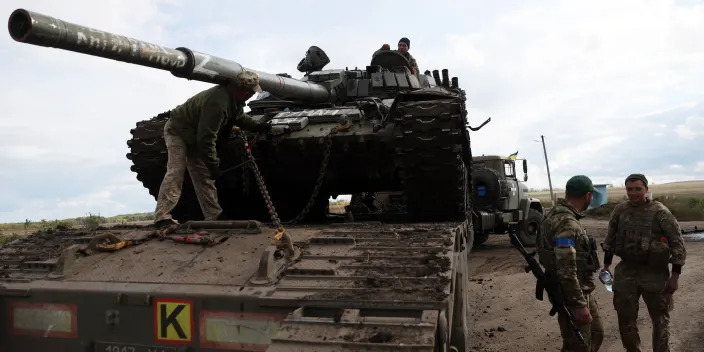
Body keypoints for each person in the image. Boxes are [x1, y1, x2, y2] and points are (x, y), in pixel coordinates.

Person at [153, 70, 269, 227]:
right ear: (242, 90)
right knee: (176, 171)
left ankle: (214, 216)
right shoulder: (218, 103)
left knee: (203, 176)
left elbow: (239, 117)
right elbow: (206, 139)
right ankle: (162, 217)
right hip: (178, 131)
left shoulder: (233, 99)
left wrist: (258, 127)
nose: (252, 96)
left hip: (194, 135)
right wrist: (213, 165)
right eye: (250, 92)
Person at [602, 174, 686, 352]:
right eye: (629, 189)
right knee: (625, 319)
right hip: (627, 271)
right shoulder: (620, 210)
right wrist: (606, 267)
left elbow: (677, 243)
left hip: (654, 273)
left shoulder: (660, 212)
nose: (633, 193)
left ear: (646, 189)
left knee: (660, 320)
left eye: (638, 189)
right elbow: (610, 239)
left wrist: (675, 276)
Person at [538, 175, 604, 351]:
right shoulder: (567, 222)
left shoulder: (557, 215)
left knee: (596, 334)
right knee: (578, 345)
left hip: (579, 290)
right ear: (588, 196)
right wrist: (578, 304)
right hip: (572, 294)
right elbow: (566, 270)